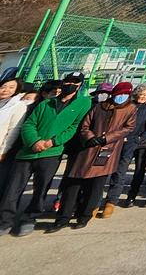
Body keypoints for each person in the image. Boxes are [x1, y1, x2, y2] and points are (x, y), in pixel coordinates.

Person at [0, 72, 91, 236]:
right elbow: (29, 124)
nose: (70, 84)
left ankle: (29, 218)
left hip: (52, 152)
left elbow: (74, 127)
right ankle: (5, 220)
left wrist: (52, 142)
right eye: (68, 81)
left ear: (80, 85)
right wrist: (34, 142)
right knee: (13, 189)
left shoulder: (83, 103)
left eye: (75, 82)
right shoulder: (46, 103)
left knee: (40, 188)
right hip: (27, 152)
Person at [49, 81, 137, 232]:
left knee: (95, 188)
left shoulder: (130, 109)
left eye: (124, 94)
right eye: (119, 94)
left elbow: (128, 128)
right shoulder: (99, 107)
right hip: (87, 150)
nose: (121, 97)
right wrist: (89, 137)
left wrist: (106, 138)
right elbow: (85, 124)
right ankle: (63, 218)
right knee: (73, 185)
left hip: (107, 151)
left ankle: (84, 216)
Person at [101, 83, 146, 215]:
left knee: (121, 171)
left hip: (133, 142)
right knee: (107, 169)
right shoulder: (127, 106)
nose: (143, 97)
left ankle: (112, 200)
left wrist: (140, 138)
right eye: (141, 94)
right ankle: (98, 199)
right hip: (116, 140)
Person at [0, 77, 30, 195]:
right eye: (3, 87)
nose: (6, 90)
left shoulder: (18, 106)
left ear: (17, 90)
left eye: (11, 87)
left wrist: (3, 151)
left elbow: (13, 130)